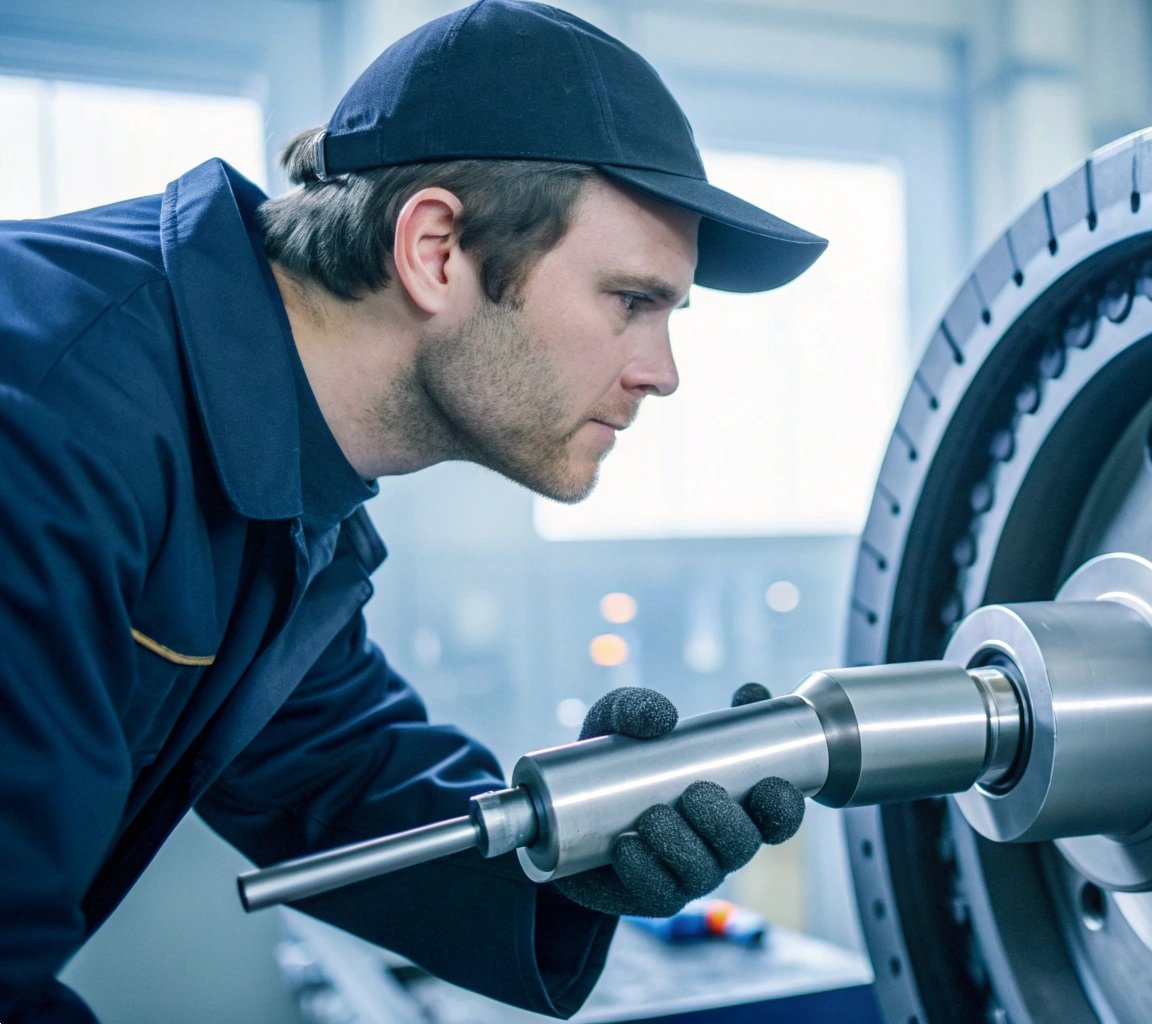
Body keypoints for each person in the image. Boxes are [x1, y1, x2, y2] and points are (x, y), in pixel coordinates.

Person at [0, 2, 827, 1021]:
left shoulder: (272, 471)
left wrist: (571, 848)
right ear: (435, 248)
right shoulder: (47, 424)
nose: (662, 373)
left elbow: (332, 770)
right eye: (631, 300)